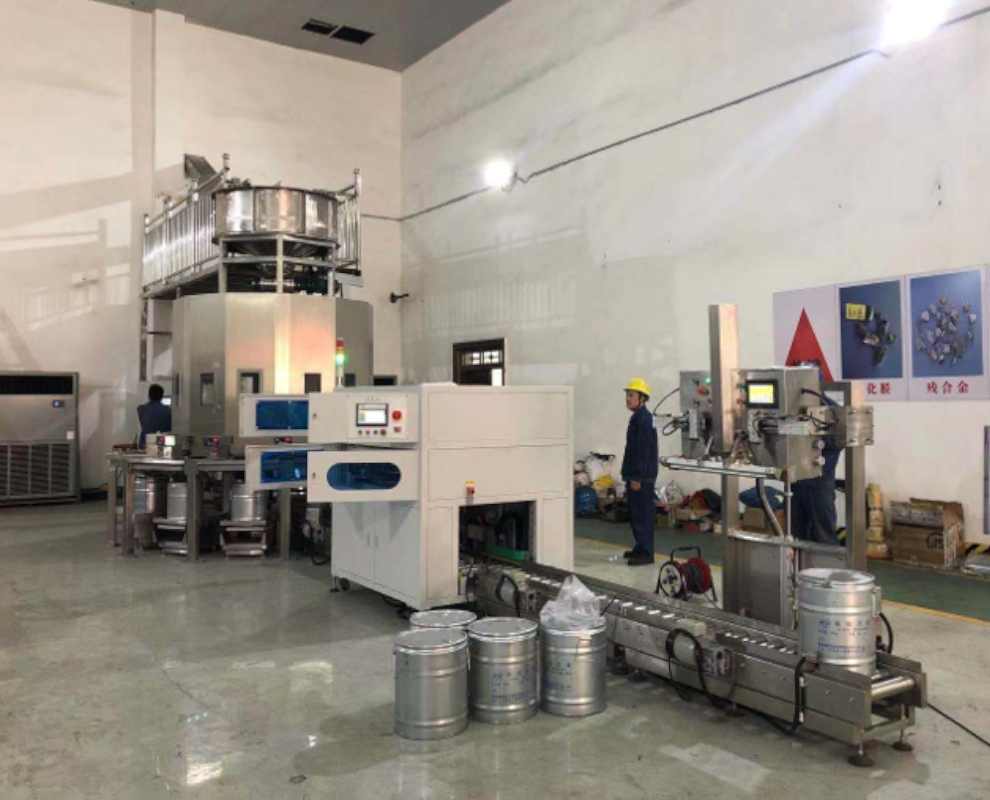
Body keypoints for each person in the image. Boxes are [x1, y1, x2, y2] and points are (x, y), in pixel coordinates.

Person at [791, 367, 841, 546]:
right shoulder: (794, 408)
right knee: (797, 535)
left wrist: (810, 435)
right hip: (796, 481)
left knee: (824, 535)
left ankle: (829, 563)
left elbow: (836, 442)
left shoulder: (831, 410)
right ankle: (799, 564)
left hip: (819, 483)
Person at [621, 378, 659, 566]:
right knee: (636, 513)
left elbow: (643, 451)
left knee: (643, 514)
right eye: (627, 396)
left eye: (632, 395)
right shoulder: (638, 417)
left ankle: (646, 553)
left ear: (642, 398)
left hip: (642, 477)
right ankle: (640, 547)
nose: (628, 399)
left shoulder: (644, 419)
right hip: (637, 475)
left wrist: (637, 477)